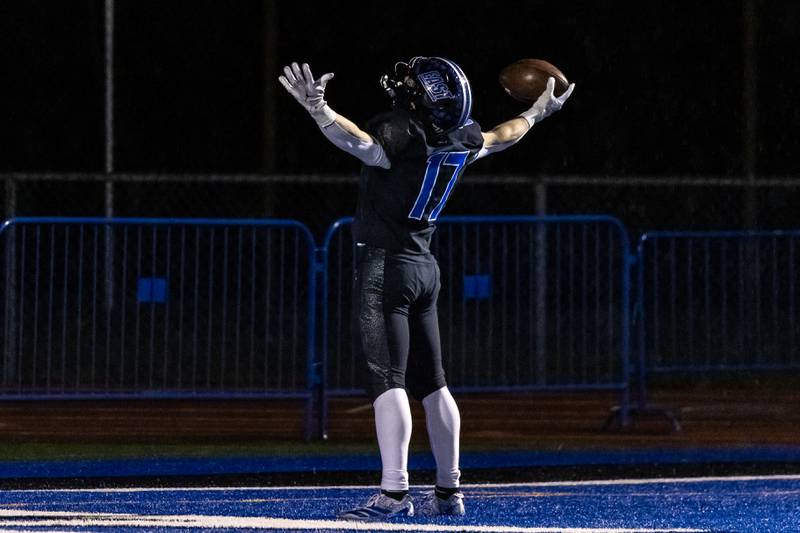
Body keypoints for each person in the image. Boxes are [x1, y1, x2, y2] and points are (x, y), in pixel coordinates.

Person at [279, 57, 574, 521]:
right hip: (425, 267)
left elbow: (359, 142)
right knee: (435, 384)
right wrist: (539, 112)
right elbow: (504, 134)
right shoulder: (461, 136)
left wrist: (319, 110)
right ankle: (449, 490)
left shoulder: (402, 132)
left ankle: (394, 493)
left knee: (387, 380)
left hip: (385, 267)